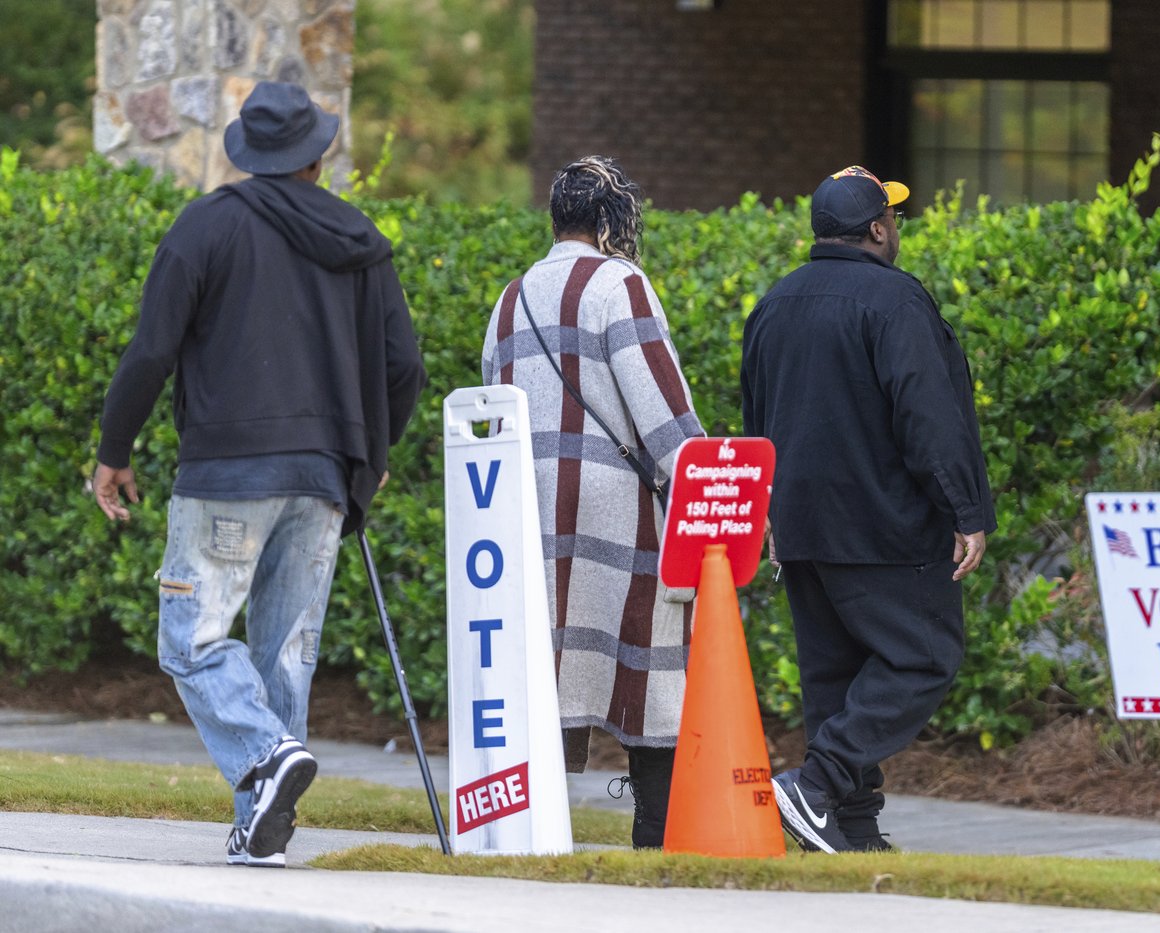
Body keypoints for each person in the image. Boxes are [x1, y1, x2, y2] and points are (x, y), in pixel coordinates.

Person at [91, 81, 426, 868]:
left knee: (193, 639)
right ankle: (262, 828)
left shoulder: (206, 226)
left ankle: (268, 758)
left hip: (226, 473)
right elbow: (403, 366)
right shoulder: (361, 239)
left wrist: (114, 449)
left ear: (248, 152)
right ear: (317, 155)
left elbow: (150, 351)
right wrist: (369, 460)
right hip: (323, 479)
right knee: (284, 655)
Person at [742, 166, 996, 853]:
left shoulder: (775, 302)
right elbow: (928, 417)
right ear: (878, 229)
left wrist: (765, 513)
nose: (899, 228)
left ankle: (850, 828)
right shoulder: (894, 301)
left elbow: (756, 418)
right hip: (886, 527)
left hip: (801, 526)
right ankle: (816, 786)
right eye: (895, 217)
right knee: (925, 656)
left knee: (834, 677)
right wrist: (965, 509)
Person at [481, 156, 704, 848]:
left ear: (555, 219)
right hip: (619, 513)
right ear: (610, 222)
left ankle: (533, 833)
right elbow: (664, 415)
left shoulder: (511, 297)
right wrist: (709, 491)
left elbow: (494, 404)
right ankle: (654, 833)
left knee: (547, 669)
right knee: (651, 669)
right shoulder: (620, 284)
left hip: (531, 513)